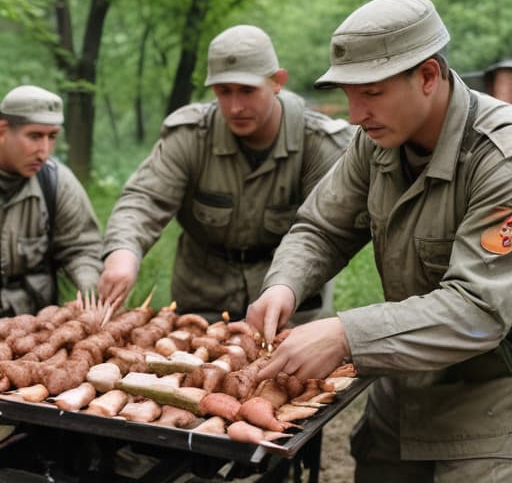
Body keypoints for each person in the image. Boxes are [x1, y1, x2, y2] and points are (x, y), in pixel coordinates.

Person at [246, 0, 512, 483]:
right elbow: (321, 228)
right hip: (401, 388)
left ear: (428, 76)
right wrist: (282, 285)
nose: (354, 114)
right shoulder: (376, 142)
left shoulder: (500, 159)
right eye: (348, 94)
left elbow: (480, 310)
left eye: (370, 92)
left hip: (490, 409)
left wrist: (346, 334)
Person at [98, 24, 352, 322]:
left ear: (277, 81)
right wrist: (123, 254)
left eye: (247, 91)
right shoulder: (191, 136)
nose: (235, 107)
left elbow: (322, 232)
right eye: (223, 91)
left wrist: (285, 288)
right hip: (203, 300)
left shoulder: (319, 144)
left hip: (291, 303)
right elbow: (146, 199)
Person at [0, 85, 103, 316]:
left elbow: (82, 249)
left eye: (52, 136)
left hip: (36, 329)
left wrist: (90, 292)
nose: (44, 151)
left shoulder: (57, 182)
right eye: (34, 136)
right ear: (3, 130)